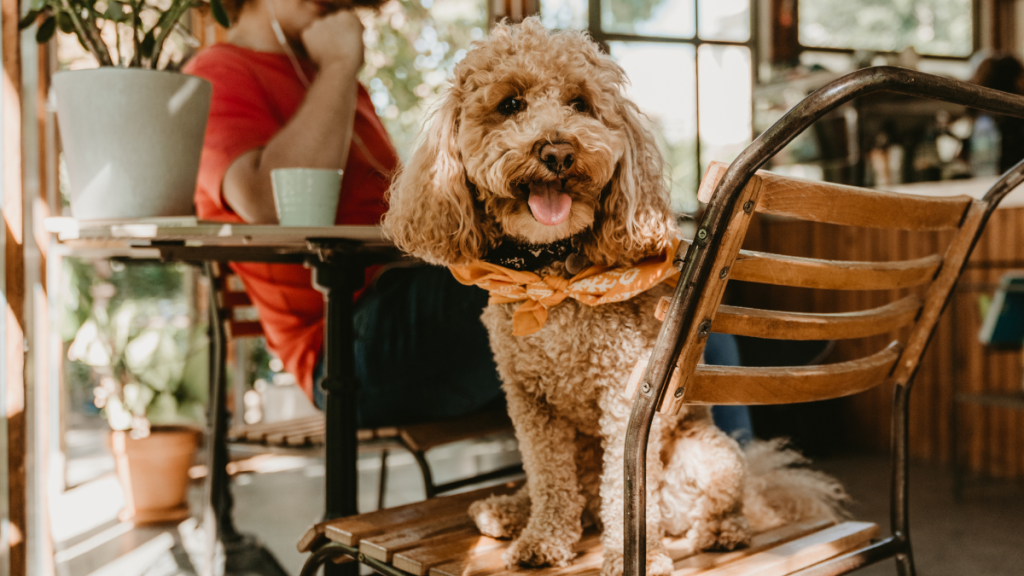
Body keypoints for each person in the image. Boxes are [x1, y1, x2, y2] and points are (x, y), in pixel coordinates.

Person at [183, 0, 753, 439]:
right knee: (590, 278)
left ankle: (712, 473)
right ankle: (715, 477)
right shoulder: (219, 70)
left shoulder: (336, 88)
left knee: (669, 273)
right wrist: (337, 64)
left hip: (416, 304)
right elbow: (266, 200)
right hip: (347, 345)